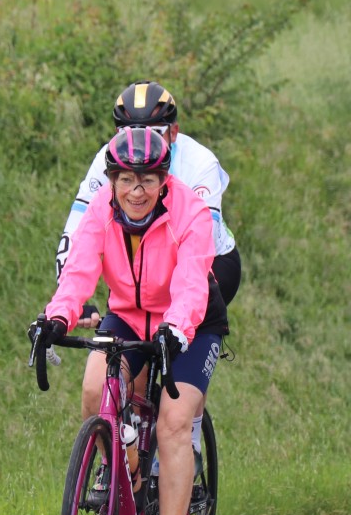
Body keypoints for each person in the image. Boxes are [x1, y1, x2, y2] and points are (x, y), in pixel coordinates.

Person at [32, 126, 227, 515]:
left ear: (164, 180)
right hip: (127, 316)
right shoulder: (101, 210)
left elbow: (192, 284)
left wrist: (176, 329)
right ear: (112, 180)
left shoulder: (190, 213)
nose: (135, 191)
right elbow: (79, 272)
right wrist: (57, 317)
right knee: (94, 391)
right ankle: (129, 476)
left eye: (146, 180)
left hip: (193, 323)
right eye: (125, 180)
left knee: (173, 422)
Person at [56, 79, 240, 464]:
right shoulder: (110, 158)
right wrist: (72, 299)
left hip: (209, 262)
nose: (139, 141)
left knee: (180, 349)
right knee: (131, 369)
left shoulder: (199, 162)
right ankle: (130, 458)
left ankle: (186, 435)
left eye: (153, 132)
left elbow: (200, 247)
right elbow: (79, 228)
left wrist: (176, 323)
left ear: (173, 132)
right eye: (127, 131)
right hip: (148, 267)